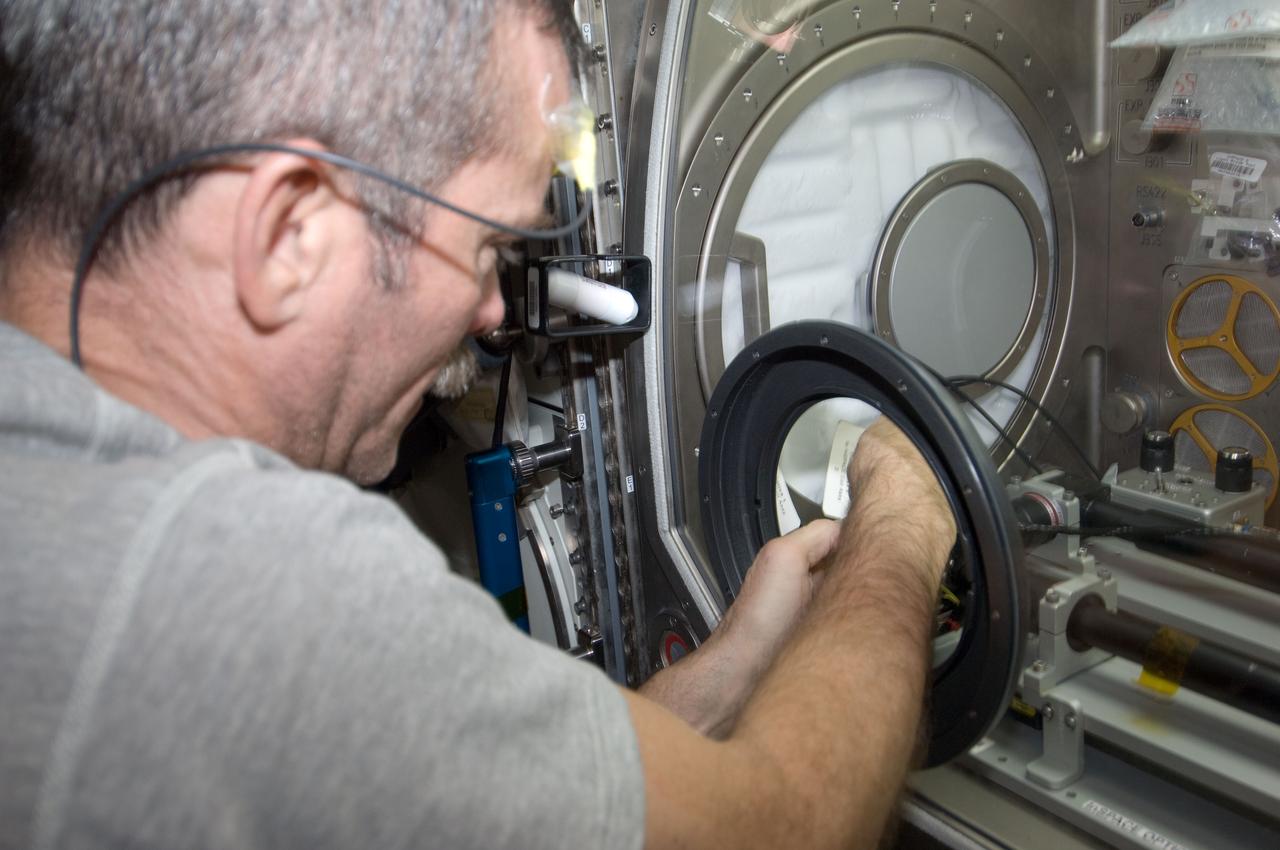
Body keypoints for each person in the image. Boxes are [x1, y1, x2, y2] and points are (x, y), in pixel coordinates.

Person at [0, 1, 957, 848]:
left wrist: (742, 656)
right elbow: (787, 825)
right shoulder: (243, 589)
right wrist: (904, 522)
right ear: (291, 234)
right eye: (489, 244)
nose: (499, 314)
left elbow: (523, 791)